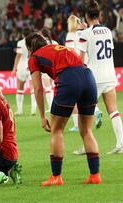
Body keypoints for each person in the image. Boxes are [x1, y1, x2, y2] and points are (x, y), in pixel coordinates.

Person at [26, 32, 101, 186]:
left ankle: (56, 177)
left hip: (69, 79)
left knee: (56, 130)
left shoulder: (33, 58)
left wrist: (42, 116)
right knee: (86, 130)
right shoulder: (55, 47)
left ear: (29, 48)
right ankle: (95, 175)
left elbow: (38, 88)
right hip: (88, 77)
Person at [75, 0, 123, 155]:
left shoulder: (85, 34)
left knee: (83, 113)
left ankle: (86, 145)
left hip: (93, 77)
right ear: (99, 14)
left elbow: (80, 60)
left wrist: (82, 33)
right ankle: (121, 144)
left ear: (86, 16)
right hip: (110, 74)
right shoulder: (108, 31)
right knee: (114, 111)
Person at [65, 15, 88, 133]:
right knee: (85, 96)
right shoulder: (83, 33)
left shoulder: (70, 35)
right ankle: (96, 111)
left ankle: (76, 124)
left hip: (75, 68)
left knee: (73, 97)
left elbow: (70, 52)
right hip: (86, 65)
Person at [11, 27, 37, 116]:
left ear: (22, 35)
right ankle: (33, 110)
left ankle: (20, 110)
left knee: (19, 89)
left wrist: (14, 68)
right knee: (33, 89)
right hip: (31, 65)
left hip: (22, 66)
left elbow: (18, 56)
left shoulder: (20, 43)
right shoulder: (34, 42)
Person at [40, 28, 57, 113]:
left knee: (47, 87)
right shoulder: (55, 43)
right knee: (54, 86)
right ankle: (56, 105)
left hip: (46, 67)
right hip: (56, 67)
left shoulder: (41, 43)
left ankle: (51, 107)